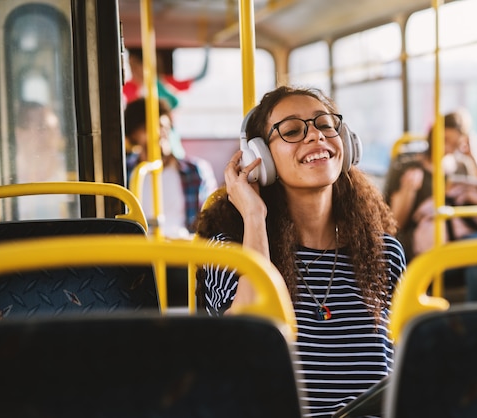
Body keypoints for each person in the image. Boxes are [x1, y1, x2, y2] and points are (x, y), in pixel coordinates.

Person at [194, 86, 405, 417]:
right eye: (292, 131)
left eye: (325, 125)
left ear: (346, 144)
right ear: (258, 157)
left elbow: (401, 374)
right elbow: (244, 348)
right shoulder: (230, 253)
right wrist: (254, 216)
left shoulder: (384, 254)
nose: (317, 137)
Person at [383, 110, 477, 301]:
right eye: (444, 139)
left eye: (454, 144)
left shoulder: (461, 166)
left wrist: (474, 155)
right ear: (433, 135)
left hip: (461, 238)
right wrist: (408, 192)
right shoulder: (408, 167)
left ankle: (473, 329)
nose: (447, 147)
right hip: (426, 247)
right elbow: (395, 224)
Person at [125, 98, 218, 306]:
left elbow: (209, 222)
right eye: (148, 128)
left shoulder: (195, 171)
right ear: (134, 136)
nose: (159, 133)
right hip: (140, 257)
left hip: (183, 254)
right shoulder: (126, 173)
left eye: (163, 126)